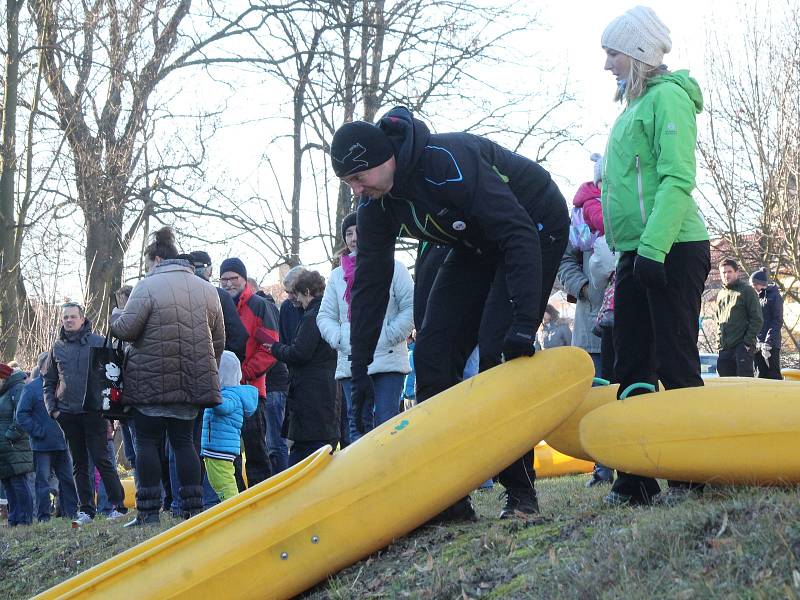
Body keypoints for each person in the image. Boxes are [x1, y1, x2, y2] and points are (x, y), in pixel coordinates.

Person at [330, 105, 570, 520]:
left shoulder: (445, 161)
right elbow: (369, 284)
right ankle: (449, 496)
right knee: (432, 356)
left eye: (358, 178)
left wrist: (522, 322)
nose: (356, 191)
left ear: (383, 159)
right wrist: (361, 363)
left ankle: (521, 494)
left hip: (532, 226)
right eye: (348, 183)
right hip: (474, 244)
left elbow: (516, 233)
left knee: (498, 354)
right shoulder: (376, 206)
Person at [600, 6, 711, 506]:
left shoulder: (669, 100)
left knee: (674, 357)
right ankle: (635, 477)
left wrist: (653, 248)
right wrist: (627, 247)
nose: (606, 64)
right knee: (631, 360)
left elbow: (677, 179)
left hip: (672, 247)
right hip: (635, 252)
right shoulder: (631, 108)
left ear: (639, 53)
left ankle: (692, 474)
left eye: (612, 53)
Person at [111, 227, 225, 526]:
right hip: (190, 383)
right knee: (185, 443)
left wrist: (114, 316)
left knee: (147, 443)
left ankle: (148, 513)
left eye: (148, 263)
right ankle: (192, 509)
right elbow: (218, 341)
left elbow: (127, 330)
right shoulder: (207, 289)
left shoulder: (147, 286)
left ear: (157, 259)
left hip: (148, 381)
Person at [318, 211, 414, 441]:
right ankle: (363, 476)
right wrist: (340, 338)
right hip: (351, 358)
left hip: (388, 358)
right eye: (348, 233)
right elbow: (325, 316)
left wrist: (391, 332)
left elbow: (412, 305)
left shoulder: (394, 268)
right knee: (357, 423)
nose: (353, 238)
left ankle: (390, 473)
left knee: (386, 421)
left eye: (358, 231)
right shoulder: (336, 276)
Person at [557, 155, 615, 487]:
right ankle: (602, 467)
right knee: (597, 395)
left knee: (630, 388)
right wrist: (581, 286)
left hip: (629, 316)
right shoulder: (580, 218)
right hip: (591, 320)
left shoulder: (632, 206)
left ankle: (636, 463)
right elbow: (564, 260)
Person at [44, 301, 127, 525]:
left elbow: (113, 377)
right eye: (65, 317)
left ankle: (119, 506)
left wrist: (110, 411)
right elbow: (49, 381)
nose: (69, 320)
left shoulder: (98, 342)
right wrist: (53, 410)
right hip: (67, 414)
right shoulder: (57, 348)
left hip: (94, 413)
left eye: (73, 316)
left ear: (82, 319)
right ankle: (86, 510)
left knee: (103, 459)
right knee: (79, 464)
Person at [263, 271, 339, 466]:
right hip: (326, 392)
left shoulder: (312, 316)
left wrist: (276, 348)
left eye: (297, 295)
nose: (296, 300)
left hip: (310, 395)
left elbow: (300, 353)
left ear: (307, 292)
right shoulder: (331, 313)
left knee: (303, 455)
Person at [219, 257, 280, 485]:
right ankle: (235, 497)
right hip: (223, 392)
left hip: (251, 390)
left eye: (233, 278)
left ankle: (261, 493)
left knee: (255, 447)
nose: (228, 284)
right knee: (228, 450)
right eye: (223, 279)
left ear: (244, 279)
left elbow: (270, 348)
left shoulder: (259, 306)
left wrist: (243, 373)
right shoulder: (218, 305)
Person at [16, 352, 79, 521]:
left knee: (67, 480)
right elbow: (21, 415)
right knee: (42, 482)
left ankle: (72, 513)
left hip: (62, 442)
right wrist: (38, 432)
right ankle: (44, 517)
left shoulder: (63, 385)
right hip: (42, 445)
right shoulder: (31, 388)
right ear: (43, 367)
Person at [201, 352, 258, 501]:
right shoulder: (226, 393)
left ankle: (233, 506)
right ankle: (228, 503)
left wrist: (211, 394)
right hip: (216, 448)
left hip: (220, 449)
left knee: (224, 482)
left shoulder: (231, 395)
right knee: (218, 481)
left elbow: (223, 408)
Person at [184, 251, 249, 363]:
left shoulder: (172, 296)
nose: (228, 284)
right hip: (213, 367)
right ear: (210, 271)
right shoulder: (220, 296)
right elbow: (239, 338)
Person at [715, 259, 763, 377]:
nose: (726, 275)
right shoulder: (721, 294)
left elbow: (757, 319)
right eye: (723, 272)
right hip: (724, 349)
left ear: (737, 272)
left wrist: (747, 343)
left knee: (744, 385)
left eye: (729, 271)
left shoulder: (747, 291)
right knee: (724, 387)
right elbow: (718, 321)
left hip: (742, 347)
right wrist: (718, 344)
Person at [0, 363, 34, 526]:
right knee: (8, 482)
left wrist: (10, 436)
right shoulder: (3, 392)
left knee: (18, 481)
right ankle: (14, 518)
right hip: (4, 447)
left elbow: (21, 415)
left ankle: (25, 519)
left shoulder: (17, 388)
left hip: (14, 445)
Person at [750, 268, 784, 379]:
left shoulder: (774, 296)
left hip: (771, 343)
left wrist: (768, 342)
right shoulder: (757, 298)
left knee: (773, 374)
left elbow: (777, 320)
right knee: (760, 373)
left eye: (753, 284)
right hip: (758, 343)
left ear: (759, 283)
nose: (752, 287)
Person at [279, 266, 307, 345]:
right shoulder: (286, 307)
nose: (290, 297)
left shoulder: (319, 307)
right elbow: (282, 340)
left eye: (293, 292)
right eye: (287, 292)